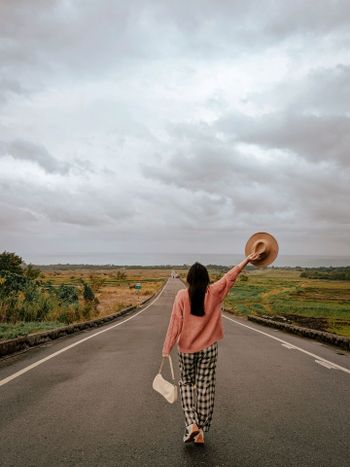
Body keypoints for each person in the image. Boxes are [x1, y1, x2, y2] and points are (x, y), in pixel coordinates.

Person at [161, 253, 259, 444]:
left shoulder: (181, 296)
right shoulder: (213, 293)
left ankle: (191, 425)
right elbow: (229, 277)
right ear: (206, 279)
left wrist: (167, 348)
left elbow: (175, 324)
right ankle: (200, 430)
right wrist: (246, 260)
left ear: (188, 279)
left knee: (186, 384)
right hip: (209, 349)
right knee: (205, 388)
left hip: (187, 350)